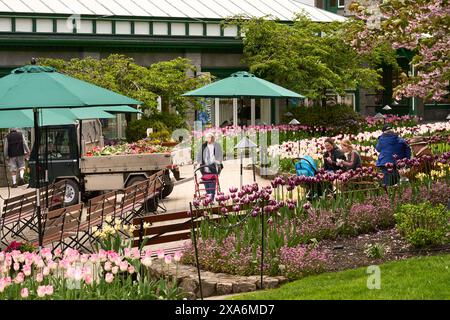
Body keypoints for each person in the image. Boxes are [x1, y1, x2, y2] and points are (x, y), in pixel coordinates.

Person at [195, 132, 223, 200]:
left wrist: (218, 161)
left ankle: (211, 198)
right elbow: (199, 154)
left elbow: (220, 155)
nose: (208, 139)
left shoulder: (217, 145)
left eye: (209, 137)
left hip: (213, 166)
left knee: (212, 182)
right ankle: (208, 196)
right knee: (206, 182)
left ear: (213, 138)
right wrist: (197, 161)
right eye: (207, 137)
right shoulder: (203, 145)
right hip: (204, 167)